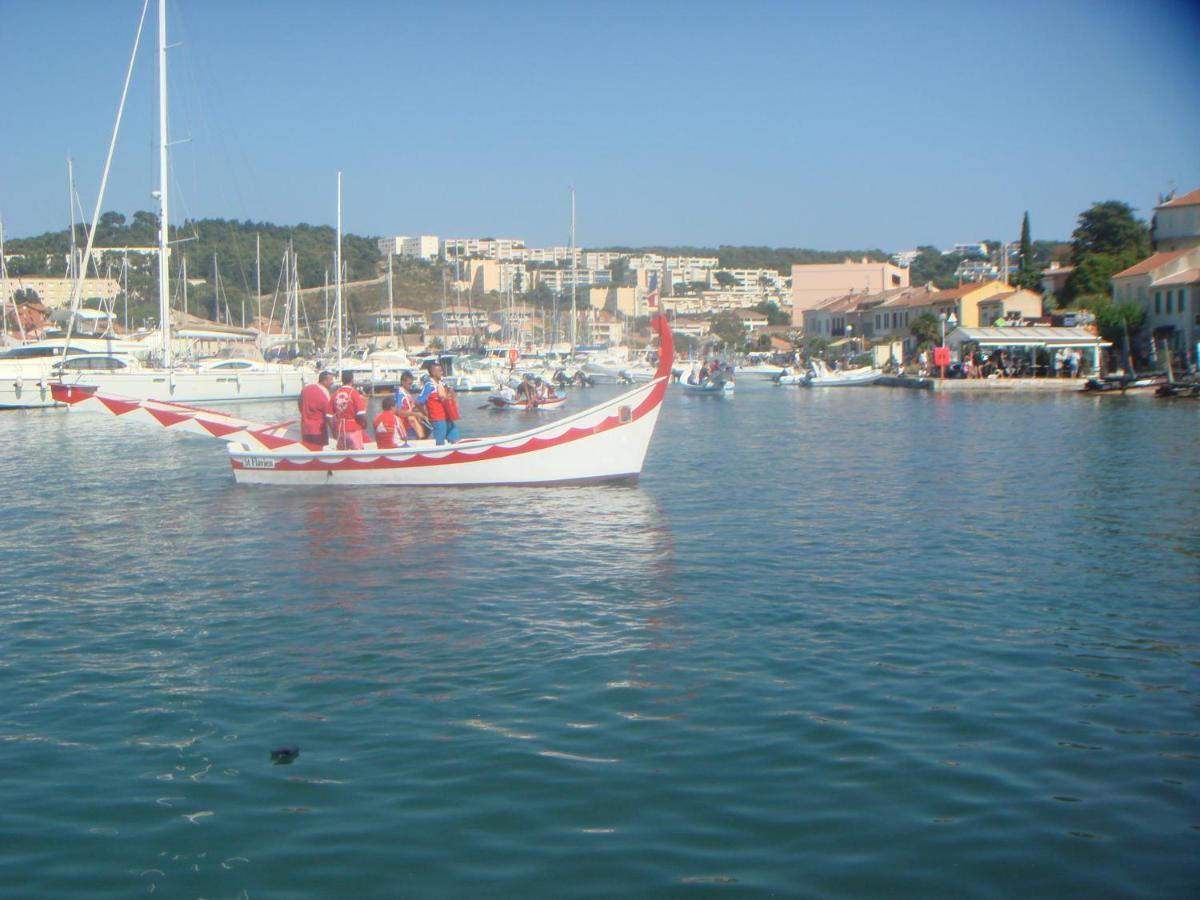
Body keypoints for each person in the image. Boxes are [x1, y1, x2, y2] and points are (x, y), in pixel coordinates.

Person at [418, 362, 460, 445]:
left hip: (447, 417)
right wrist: (426, 414)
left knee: (454, 437)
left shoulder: (442, 384)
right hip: (437, 418)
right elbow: (418, 402)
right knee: (440, 441)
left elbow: (451, 394)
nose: (442, 372)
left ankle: (454, 453)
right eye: (440, 371)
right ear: (433, 373)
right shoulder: (429, 386)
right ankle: (440, 455)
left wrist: (452, 394)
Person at [298, 370, 335, 450]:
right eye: (331, 380)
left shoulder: (306, 389)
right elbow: (329, 416)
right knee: (318, 453)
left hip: (305, 428)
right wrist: (335, 432)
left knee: (308, 452)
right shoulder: (324, 393)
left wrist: (306, 415)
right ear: (325, 380)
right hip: (318, 430)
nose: (332, 382)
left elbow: (299, 403)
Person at [331, 370, 368, 450]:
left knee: (342, 455)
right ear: (352, 380)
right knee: (357, 454)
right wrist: (365, 424)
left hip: (340, 429)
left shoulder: (335, 394)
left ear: (342, 380)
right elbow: (361, 414)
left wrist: (333, 430)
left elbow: (329, 416)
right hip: (353, 429)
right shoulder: (354, 393)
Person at [393, 371, 426, 441]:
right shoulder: (400, 394)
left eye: (411, 384)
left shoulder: (407, 393)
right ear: (403, 382)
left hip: (410, 425)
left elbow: (411, 407)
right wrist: (414, 414)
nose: (410, 386)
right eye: (409, 384)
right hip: (404, 425)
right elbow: (398, 411)